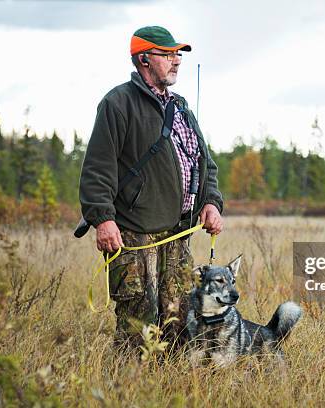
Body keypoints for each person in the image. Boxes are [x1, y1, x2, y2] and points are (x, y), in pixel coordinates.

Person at [78, 25, 224, 351]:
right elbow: (97, 169)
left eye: (177, 55)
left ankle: (171, 387)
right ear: (144, 59)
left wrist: (211, 202)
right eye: (167, 54)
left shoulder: (182, 107)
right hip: (134, 231)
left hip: (178, 230)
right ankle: (129, 391)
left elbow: (205, 163)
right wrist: (103, 219)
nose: (176, 61)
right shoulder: (117, 104)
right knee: (138, 321)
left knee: (179, 318)